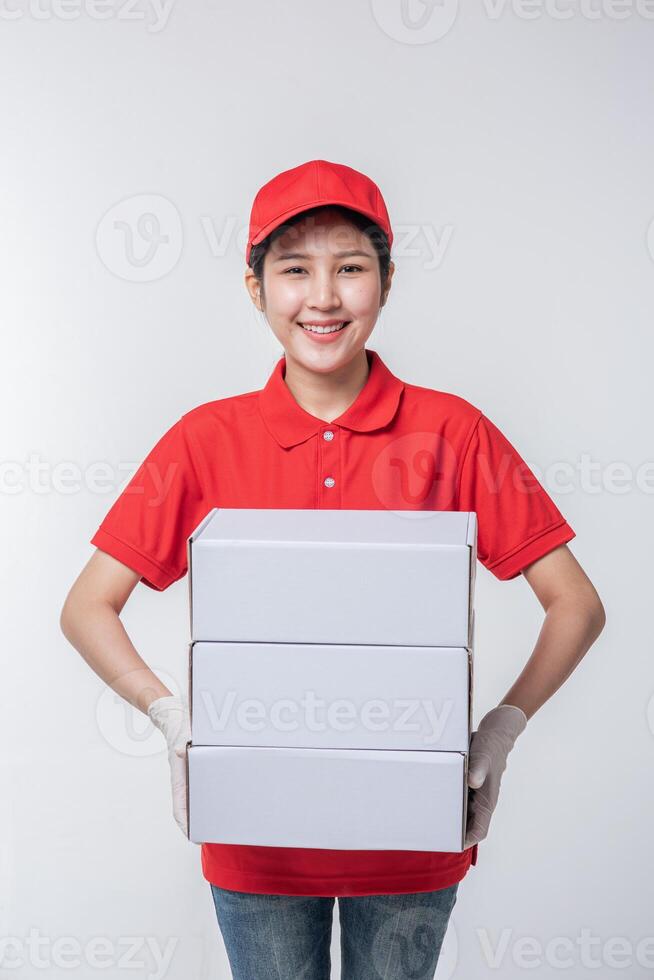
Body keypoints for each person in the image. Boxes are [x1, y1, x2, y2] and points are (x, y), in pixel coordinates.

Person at [60, 159, 606, 980]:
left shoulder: (452, 433)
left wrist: (504, 727)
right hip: (257, 843)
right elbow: (87, 607)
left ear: (386, 282)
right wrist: (172, 719)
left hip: (411, 840)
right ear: (255, 288)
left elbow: (575, 603)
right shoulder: (206, 439)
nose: (322, 297)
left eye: (350, 268)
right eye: (293, 270)